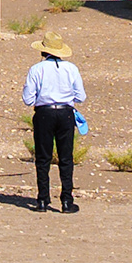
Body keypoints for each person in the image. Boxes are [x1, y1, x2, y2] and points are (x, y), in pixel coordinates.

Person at [22, 37, 86, 212]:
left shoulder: (36, 69)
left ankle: (42, 200)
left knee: (43, 158)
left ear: (43, 51)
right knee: (66, 157)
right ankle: (66, 201)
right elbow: (81, 96)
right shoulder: (71, 68)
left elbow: (27, 99)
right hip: (65, 113)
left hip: (44, 113)